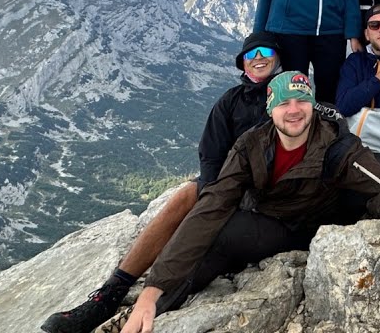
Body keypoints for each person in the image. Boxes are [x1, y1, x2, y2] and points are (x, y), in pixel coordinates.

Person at [118, 71, 380, 333]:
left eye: (301, 100)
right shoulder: (250, 145)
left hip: (320, 227)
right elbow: (210, 208)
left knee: (365, 196)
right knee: (222, 231)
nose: (294, 111)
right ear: (269, 108)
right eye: (283, 103)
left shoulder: (337, 145)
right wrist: (152, 291)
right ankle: (158, 306)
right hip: (274, 224)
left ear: (312, 103)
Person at [41, 32, 283, 333]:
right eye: (250, 54)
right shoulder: (230, 102)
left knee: (208, 235)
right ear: (243, 64)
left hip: (270, 197)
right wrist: (212, 195)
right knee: (186, 195)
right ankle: (111, 293)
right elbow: (210, 156)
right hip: (229, 186)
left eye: (265, 51)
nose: (258, 57)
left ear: (278, 57)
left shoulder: (290, 97)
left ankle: (142, 310)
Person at [335, 4, 380, 117]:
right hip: (362, 133)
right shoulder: (354, 62)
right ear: (366, 34)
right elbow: (343, 107)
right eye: (374, 25)